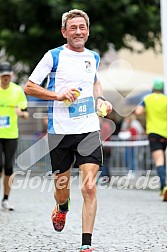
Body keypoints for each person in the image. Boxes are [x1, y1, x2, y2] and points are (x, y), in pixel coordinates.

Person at [24, 9, 112, 252]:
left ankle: (86, 244)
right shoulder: (53, 56)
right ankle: (62, 208)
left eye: (82, 27)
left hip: (88, 129)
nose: (78, 32)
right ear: (64, 32)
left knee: (89, 187)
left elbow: (94, 82)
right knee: (62, 190)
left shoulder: (93, 56)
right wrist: (57, 95)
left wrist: (101, 100)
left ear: (88, 30)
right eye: (72, 28)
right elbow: (29, 88)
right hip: (60, 132)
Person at [0, 61, 29, 210]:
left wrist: (21, 113)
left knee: (9, 166)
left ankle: (5, 199)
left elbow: (26, 113)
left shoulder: (17, 90)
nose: (6, 78)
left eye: (8, 76)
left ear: (11, 75)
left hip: (11, 134)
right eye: (3, 76)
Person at [135, 78, 167, 201]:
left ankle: (164, 187)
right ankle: (162, 187)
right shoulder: (166, 99)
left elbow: (138, 112)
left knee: (159, 161)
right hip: (165, 133)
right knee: (164, 160)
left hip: (154, 133)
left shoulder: (147, 98)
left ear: (153, 88)